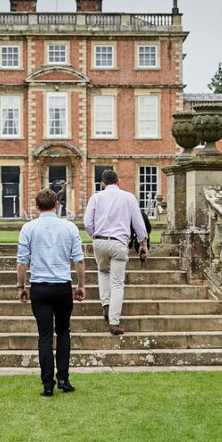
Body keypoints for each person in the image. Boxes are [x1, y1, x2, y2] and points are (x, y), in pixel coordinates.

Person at [17, 188, 86, 397]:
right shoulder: (69, 227)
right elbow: (79, 261)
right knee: (64, 332)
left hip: (40, 287)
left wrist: (21, 287)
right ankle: (63, 379)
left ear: (37, 207)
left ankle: (48, 384)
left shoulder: (29, 228)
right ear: (57, 205)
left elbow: (22, 263)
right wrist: (81, 285)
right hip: (62, 286)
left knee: (45, 336)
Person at [83, 169, 148, 336]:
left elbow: (87, 223)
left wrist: (96, 236)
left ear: (102, 184)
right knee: (117, 283)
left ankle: (106, 305)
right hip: (119, 242)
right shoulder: (128, 197)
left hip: (100, 240)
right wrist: (143, 244)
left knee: (103, 271)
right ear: (118, 182)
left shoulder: (96, 197)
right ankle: (114, 322)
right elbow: (139, 224)